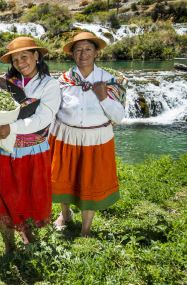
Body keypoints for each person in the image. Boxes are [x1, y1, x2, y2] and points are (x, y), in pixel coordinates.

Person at [0, 37, 61, 253]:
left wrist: (12, 128)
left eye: (24, 57)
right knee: (2, 196)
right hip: (1, 149)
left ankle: (31, 241)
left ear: (37, 56)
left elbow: (43, 119)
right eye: (15, 59)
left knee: (30, 196)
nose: (20, 63)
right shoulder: (3, 83)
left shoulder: (49, 85)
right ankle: (9, 245)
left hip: (31, 152)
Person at [50, 32, 126, 237]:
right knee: (63, 177)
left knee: (89, 181)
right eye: (78, 50)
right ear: (73, 54)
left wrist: (103, 97)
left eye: (88, 49)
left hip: (96, 139)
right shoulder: (63, 80)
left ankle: (86, 229)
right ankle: (65, 215)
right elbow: (53, 110)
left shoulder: (110, 81)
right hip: (66, 136)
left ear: (96, 53)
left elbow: (119, 117)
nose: (83, 54)